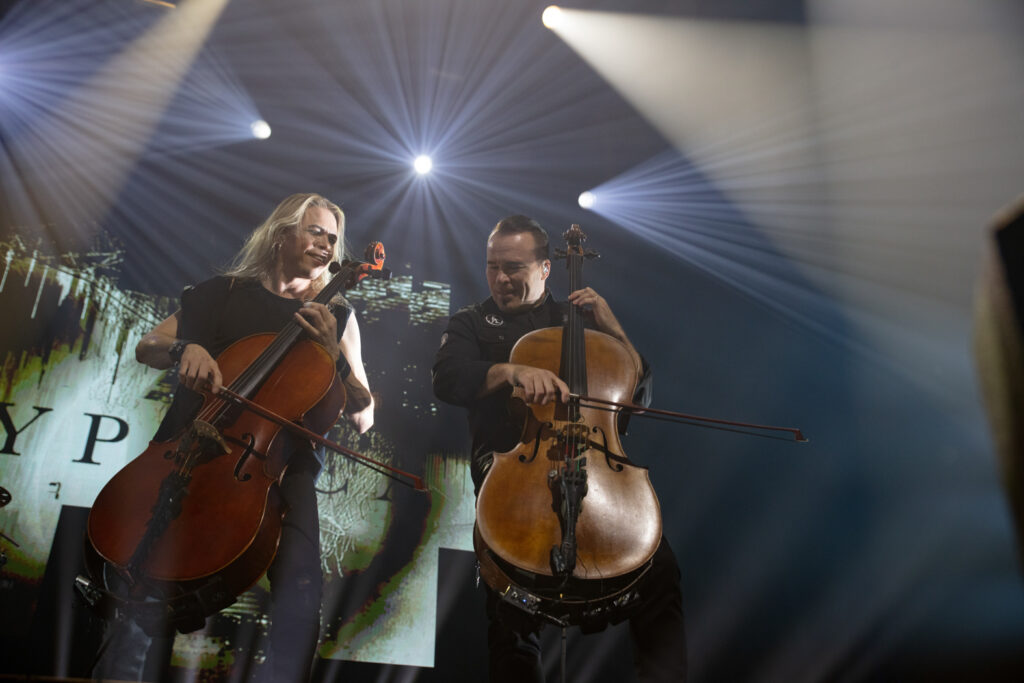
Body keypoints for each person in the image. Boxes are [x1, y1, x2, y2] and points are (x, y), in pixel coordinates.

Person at [91, 192, 374, 682]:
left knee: (299, 586)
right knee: (145, 569)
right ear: (282, 232)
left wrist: (333, 350)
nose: (327, 245)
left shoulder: (338, 316)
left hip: (280, 465)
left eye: (333, 238)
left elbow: (363, 412)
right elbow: (147, 346)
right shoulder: (221, 293)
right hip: (195, 444)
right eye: (315, 232)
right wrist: (187, 348)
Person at [432, 215, 687, 682]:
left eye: (513, 267)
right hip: (512, 480)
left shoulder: (580, 323)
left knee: (661, 572)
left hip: (597, 473)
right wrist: (511, 372)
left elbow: (639, 398)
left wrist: (614, 328)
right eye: (493, 267)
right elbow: (447, 377)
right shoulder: (471, 322)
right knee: (510, 620)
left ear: (546, 268)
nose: (501, 278)